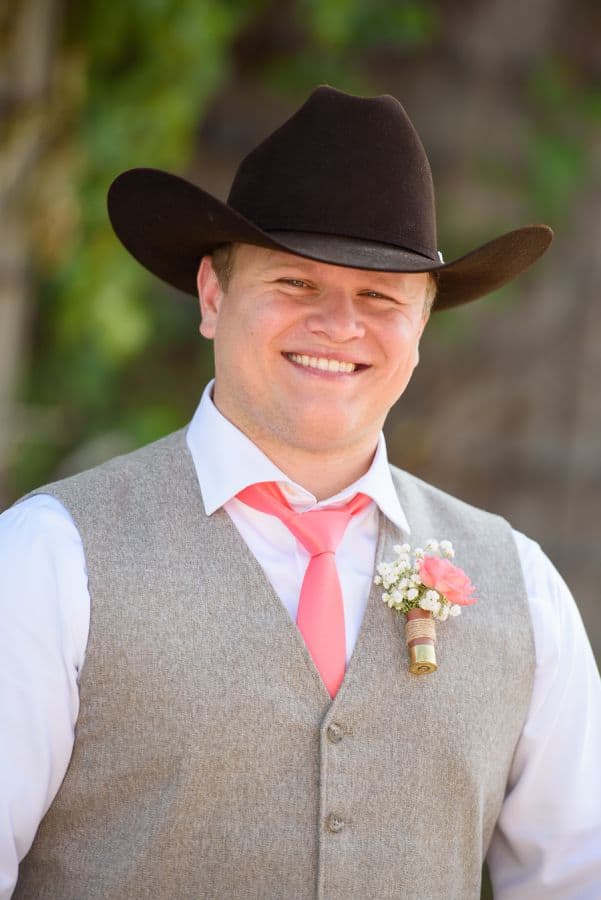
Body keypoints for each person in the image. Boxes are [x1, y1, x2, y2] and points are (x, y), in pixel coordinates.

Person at [0, 85, 600, 899]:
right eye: (294, 284)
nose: (339, 325)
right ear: (214, 296)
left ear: (419, 329)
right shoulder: (49, 556)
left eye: (380, 297)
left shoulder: (519, 586)